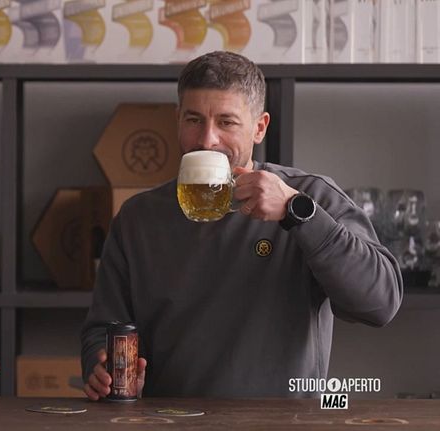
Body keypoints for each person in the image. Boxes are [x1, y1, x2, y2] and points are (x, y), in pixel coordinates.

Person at [81, 51, 402, 399]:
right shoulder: (138, 218)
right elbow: (103, 329)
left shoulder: (310, 197)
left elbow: (379, 304)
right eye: (193, 120)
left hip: (287, 421)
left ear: (259, 127)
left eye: (226, 122)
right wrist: (102, 368)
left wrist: (297, 214)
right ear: (177, 120)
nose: (207, 140)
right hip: (172, 419)